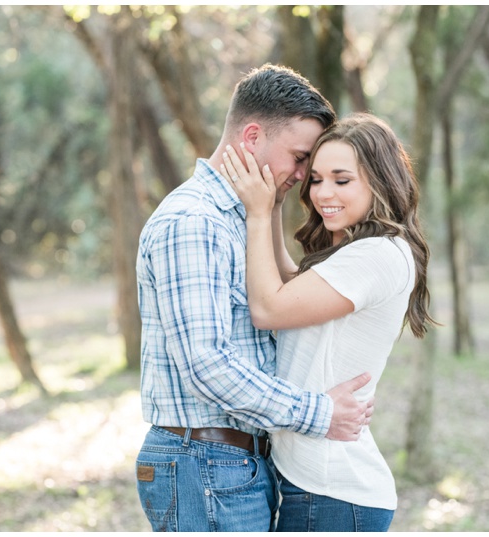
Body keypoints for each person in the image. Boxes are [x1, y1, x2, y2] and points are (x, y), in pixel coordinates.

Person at [135, 64, 375, 532]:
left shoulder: (240, 219)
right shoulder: (194, 223)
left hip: (231, 463)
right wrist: (319, 412)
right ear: (251, 136)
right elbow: (206, 363)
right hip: (204, 462)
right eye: (301, 157)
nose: (306, 176)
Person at [219, 112, 436, 532]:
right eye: (315, 179)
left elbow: (268, 309)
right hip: (319, 485)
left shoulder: (376, 254)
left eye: (342, 179)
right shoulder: (362, 250)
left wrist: (259, 215)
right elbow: (288, 283)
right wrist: (277, 203)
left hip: (333, 492)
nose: (322, 193)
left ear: (380, 180)